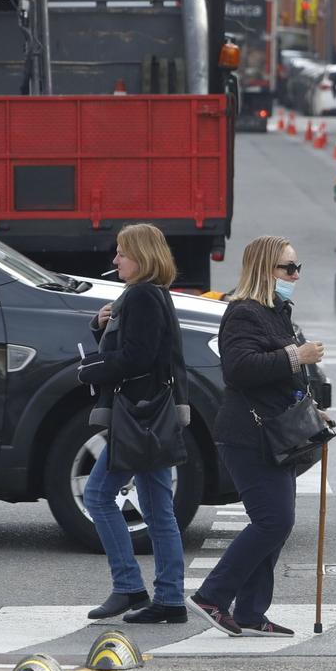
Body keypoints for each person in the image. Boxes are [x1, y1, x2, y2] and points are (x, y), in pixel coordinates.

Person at [190, 235, 328, 637]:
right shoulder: (244, 312)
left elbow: (276, 379)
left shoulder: (276, 311)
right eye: (289, 268)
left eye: (298, 267)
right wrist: (296, 355)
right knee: (273, 521)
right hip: (248, 435)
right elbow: (238, 369)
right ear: (265, 270)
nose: (296, 275)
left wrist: (310, 407)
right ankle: (212, 596)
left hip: (276, 434)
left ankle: (250, 612)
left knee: (275, 523)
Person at [78, 224, 190, 626]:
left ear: (140, 256)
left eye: (122, 253)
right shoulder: (153, 294)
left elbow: (137, 357)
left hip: (139, 416)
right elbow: (148, 351)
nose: (115, 259)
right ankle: (170, 598)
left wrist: (89, 370)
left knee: (98, 496)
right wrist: (103, 326)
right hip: (154, 413)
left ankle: (129, 586)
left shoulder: (142, 295)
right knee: (160, 511)